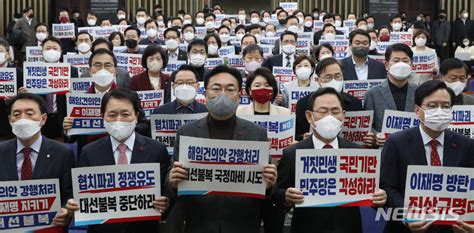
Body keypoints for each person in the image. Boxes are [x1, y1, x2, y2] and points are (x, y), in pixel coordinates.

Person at [166, 65, 277, 233]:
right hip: (199, 225)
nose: (223, 94)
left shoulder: (257, 133)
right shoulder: (186, 132)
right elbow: (173, 185)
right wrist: (172, 181)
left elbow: (267, 189)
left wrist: (269, 184)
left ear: (239, 95)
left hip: (243, 225)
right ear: (205, 94)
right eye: (216, 88)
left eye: (230, 89)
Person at [275, 87, 386, 233]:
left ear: (343, 115)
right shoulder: (293, 153)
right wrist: (286, 196)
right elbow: (277, 195)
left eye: (335, 111)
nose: (330, 117)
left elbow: (371, 195)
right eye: (323, 111)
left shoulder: (357, 152)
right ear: (309, 116)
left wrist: (380, 198)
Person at [64, 88, 171, 232]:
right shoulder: (89, 152)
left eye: (125, 114)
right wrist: (71, 204)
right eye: (112, 115)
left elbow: (166, 191)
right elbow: (76, 193)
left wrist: (165, 201)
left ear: (136, 115)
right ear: (103, 117)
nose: (118, 120)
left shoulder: (156, 149)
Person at [381, 80, 474, 233]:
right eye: (431, 106)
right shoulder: (396, 142)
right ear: (417, 110)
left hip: (453, 228)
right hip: (407, 228)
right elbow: (387, 187)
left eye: (445, 106)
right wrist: (407, 216)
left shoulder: (466, 145)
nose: (439, 111)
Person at [0, 93, 75, 228]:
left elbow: (69, 193)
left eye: (30, 113)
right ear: (10, 120)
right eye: (17, 114)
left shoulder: (63, 153)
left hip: (49, 227)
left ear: (43, 119)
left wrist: (66, 211)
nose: (23, 119)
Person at [295, 57, 362, 141]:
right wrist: (303, 138)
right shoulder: (304, 103)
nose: (333, 80)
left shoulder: (355, 103)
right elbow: (296, 134)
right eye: (328, 77)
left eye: (338, 76)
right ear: (318, 80)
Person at [364, 43, 417, 145]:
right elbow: (368, 126)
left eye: (405, 61)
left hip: (413, 149)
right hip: (385, 150)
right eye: (396, 61)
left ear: (411, 64)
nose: (401, 64)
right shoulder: (372, 94)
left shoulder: (419, 92)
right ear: (387, 65)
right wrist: (376, 136)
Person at [0, 39, 24, 140]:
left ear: (7, 54)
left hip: (12, 125)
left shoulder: (19, 73)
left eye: (0, 52)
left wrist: (20, 95)